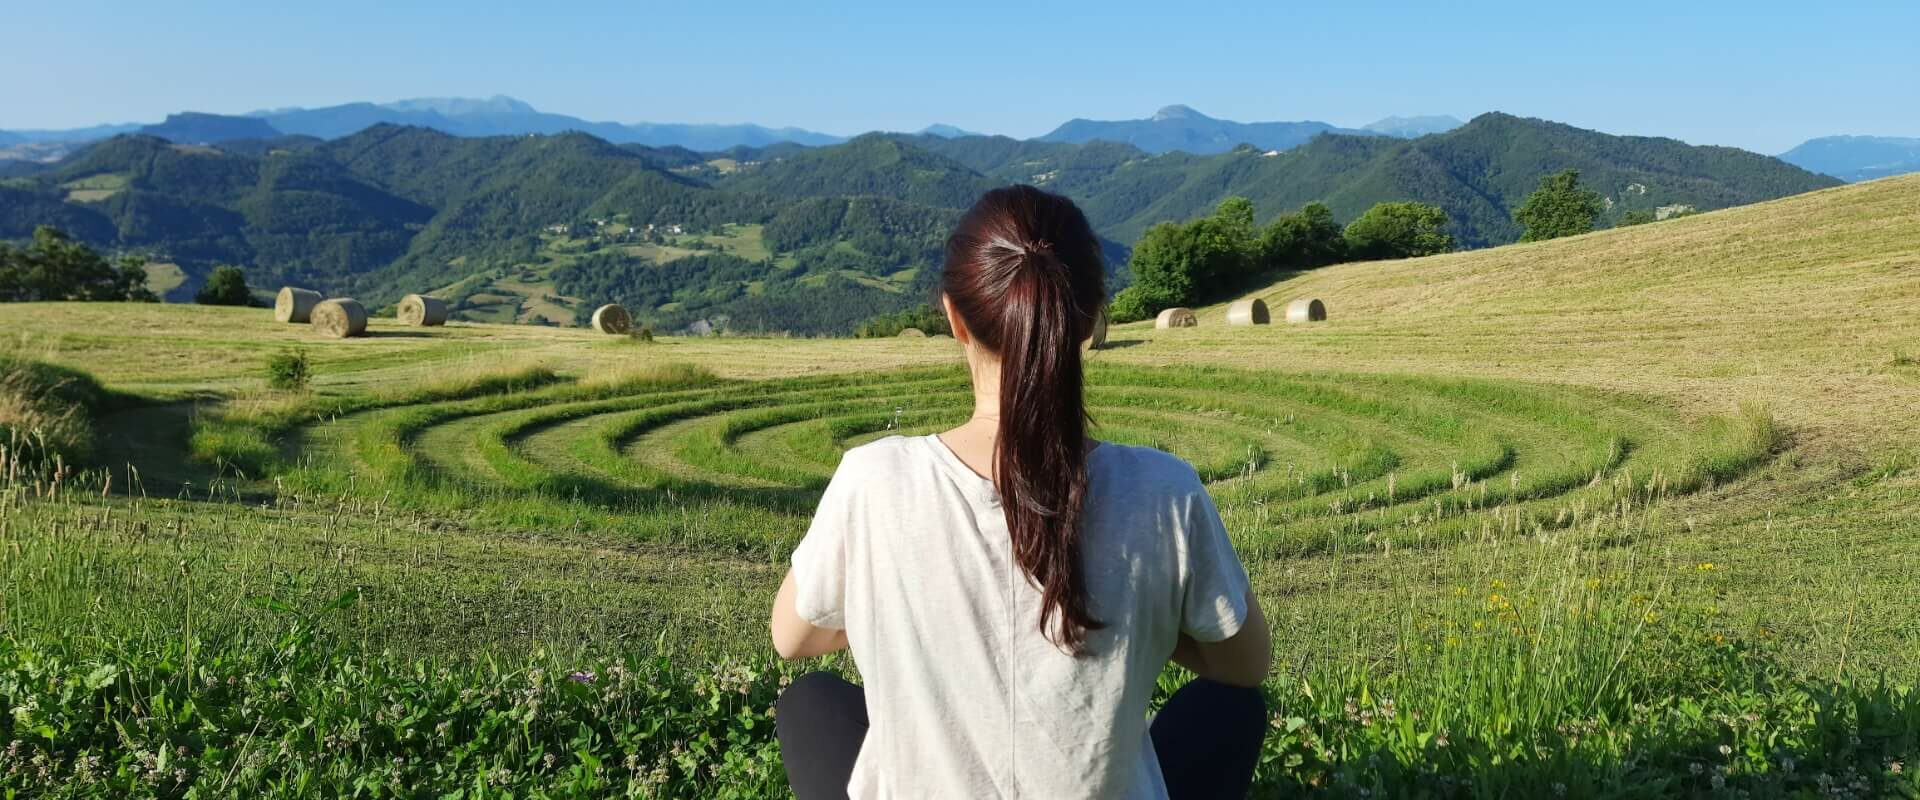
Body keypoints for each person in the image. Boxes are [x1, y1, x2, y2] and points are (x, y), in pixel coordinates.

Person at [769, 185, 1272, 799]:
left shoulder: (872, 480)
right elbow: (1243, 665)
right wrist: (1144, 625)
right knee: (1231, 710)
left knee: (812, 702)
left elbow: (793, 638)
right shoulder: (1165, 492)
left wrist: (907, 612)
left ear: (953, 317)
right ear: (1089, 322)